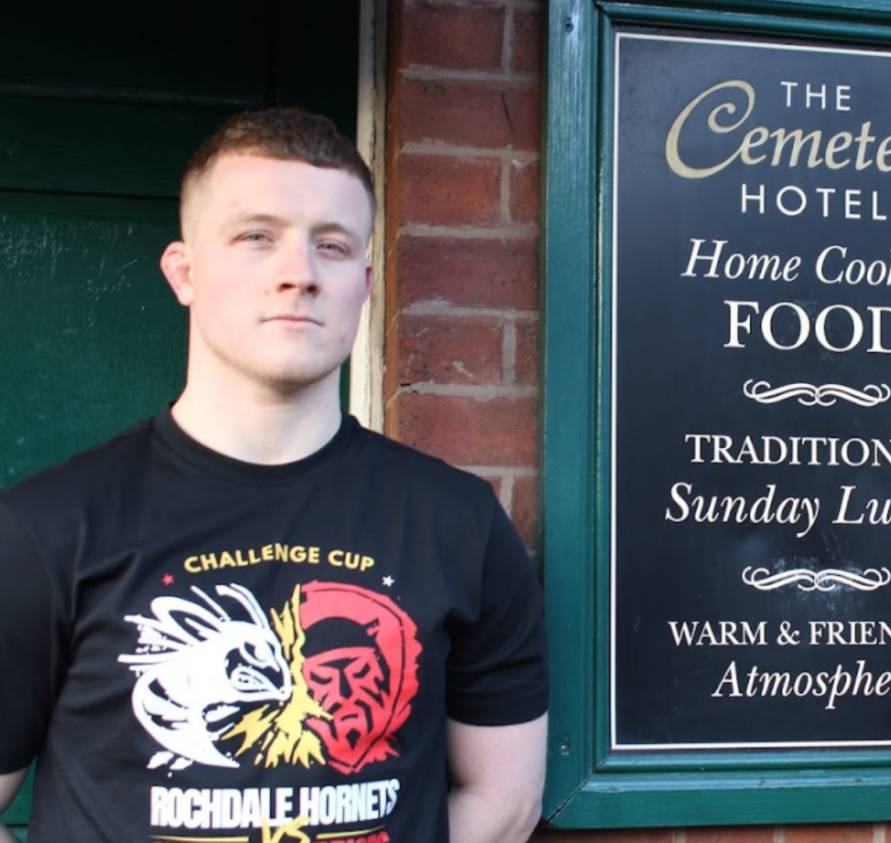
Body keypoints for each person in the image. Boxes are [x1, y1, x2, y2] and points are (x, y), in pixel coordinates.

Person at [0, 108, 548, 842]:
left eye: (332, 245)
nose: (299, 274)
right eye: (257, 236)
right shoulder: (45, 528)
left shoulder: (459, 523)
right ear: (184, 272)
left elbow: (503, 798)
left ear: (364, 283)